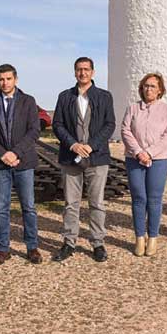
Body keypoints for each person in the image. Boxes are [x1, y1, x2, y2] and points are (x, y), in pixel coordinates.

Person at [51, 57, 116, 263]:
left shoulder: (104, 96)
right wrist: (73, 144)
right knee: (71, 203)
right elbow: (58, 124)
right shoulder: (64, 97)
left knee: (96, 203)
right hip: (71, 157)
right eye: (79, 69)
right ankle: (69, 242)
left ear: (93, 72)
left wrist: (91, 145)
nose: (83, 73)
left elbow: (109, 124)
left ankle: (97, 242)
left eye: (86, 69)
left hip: (97, 158)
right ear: (74, 72)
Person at [0, 64, 42, 266]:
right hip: (0, 164)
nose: (4, 83)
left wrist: (16, 152)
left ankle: (32, 247)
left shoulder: (28, 101)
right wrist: (2, 154)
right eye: (1, 79)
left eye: (8, 78)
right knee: (1, 208)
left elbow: (34, 130)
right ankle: (3, 249)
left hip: (23, 162)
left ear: (16, 79)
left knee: (29, 207)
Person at [121, 73, 167, 257]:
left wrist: (150, 153)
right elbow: (125, 130)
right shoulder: (133, 108)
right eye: (146, 86)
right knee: (138, 198)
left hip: (159, 159)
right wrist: (139, 152)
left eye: (153, 86)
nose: (148, 89)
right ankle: (139, 237)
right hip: (134, 158)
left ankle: (153, 237)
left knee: (154, 199)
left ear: (160, 89)